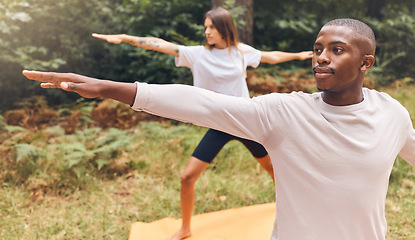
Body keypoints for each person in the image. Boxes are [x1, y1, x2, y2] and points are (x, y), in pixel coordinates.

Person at [23, 18, 415, 240]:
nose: (321, 59)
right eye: (316, 49)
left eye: (337, 50)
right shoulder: (284, 112)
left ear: (366, 63)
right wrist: (109, 88)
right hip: (238, 120)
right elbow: (199, 103)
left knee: (275, 171)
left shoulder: (392, 114)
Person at [92, 7, 312, 240]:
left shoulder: (240, 52)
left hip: (247, 122)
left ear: (224, 29)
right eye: (205, 27)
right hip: (219, 124)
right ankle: (185, 228)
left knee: (274, 169)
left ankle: (296, 213)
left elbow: (271, 56)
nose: (206, 31)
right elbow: (160, 44)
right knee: (187, 177)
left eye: (211, 27)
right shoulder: (197, 54)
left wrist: (298, 55)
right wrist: (125, 39)